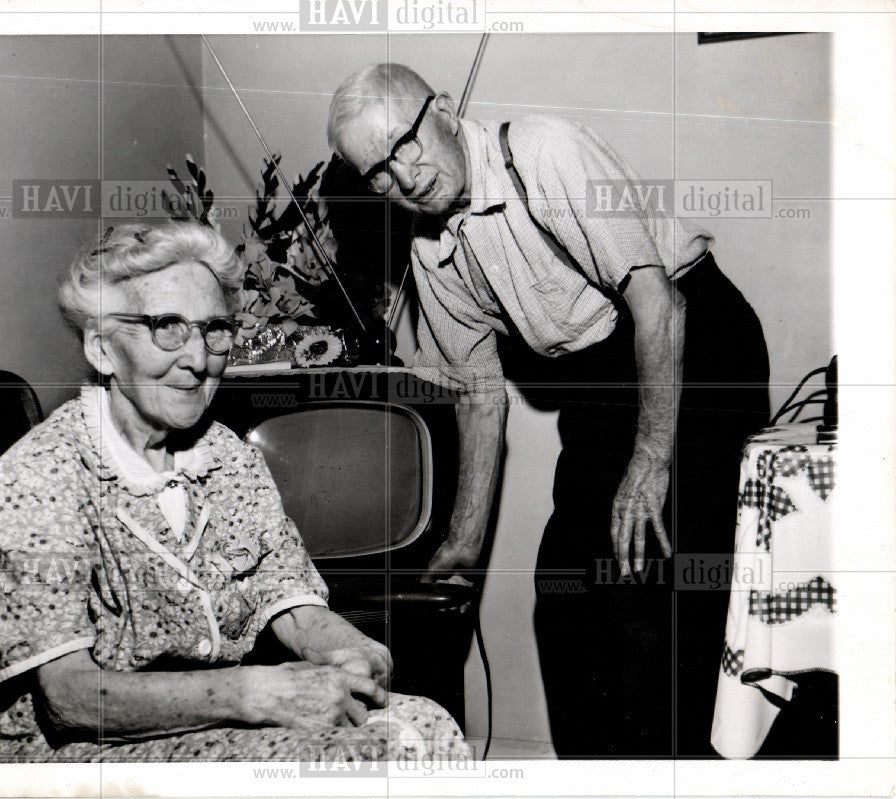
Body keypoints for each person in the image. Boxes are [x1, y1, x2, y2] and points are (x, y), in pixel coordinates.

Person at [328, 64, 771, 757]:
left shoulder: (541, 152)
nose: (404, 175)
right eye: (377, 171)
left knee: (649, 583)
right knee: (564, 593)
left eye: (406, 143)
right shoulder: (430, 255)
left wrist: (651, 462)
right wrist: (464, 541)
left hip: (697, 339)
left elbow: (663, 307)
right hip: (603, 378)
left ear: (442, 109)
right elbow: (480, 396)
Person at [0, 220, 469, 763]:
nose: (197, 358)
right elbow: (69, 697)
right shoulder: (35, 477)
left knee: (423, 724)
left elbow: (295, 609)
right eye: (167, 327)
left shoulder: (227, 454)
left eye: (213, 329)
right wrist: (251, 694)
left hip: (214, 721)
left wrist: (354, 651)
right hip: (82, 748)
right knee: (351, 762)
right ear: (102, 348)